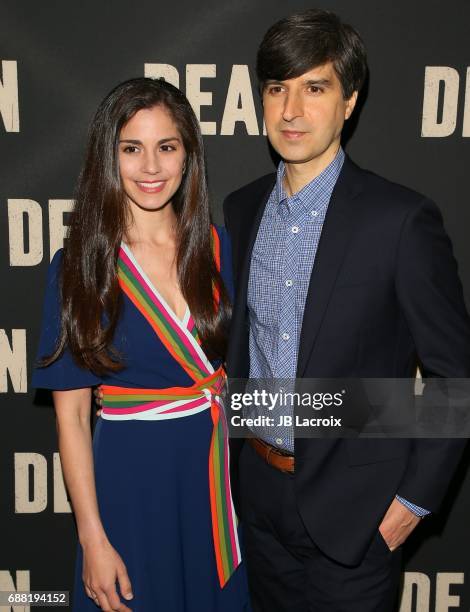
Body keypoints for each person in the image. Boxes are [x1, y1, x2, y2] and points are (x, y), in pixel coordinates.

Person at [223, 9, 470, 612]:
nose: (290, 110)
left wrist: (408, 508)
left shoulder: (400, 220)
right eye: (277, 88)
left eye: (315, 87)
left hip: (357, 519)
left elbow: (453, 379)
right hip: (256, 500)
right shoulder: (241, 208)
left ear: (349, 101)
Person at [32, 77, 250, 612]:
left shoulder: (220, 249)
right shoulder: (80, 267)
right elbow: (73, 419)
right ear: (109, 156)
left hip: (214, 480)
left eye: (166, 147)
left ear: (187, 155)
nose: (151, 167)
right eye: (132, 148)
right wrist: (92, 540)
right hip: (130, 484)